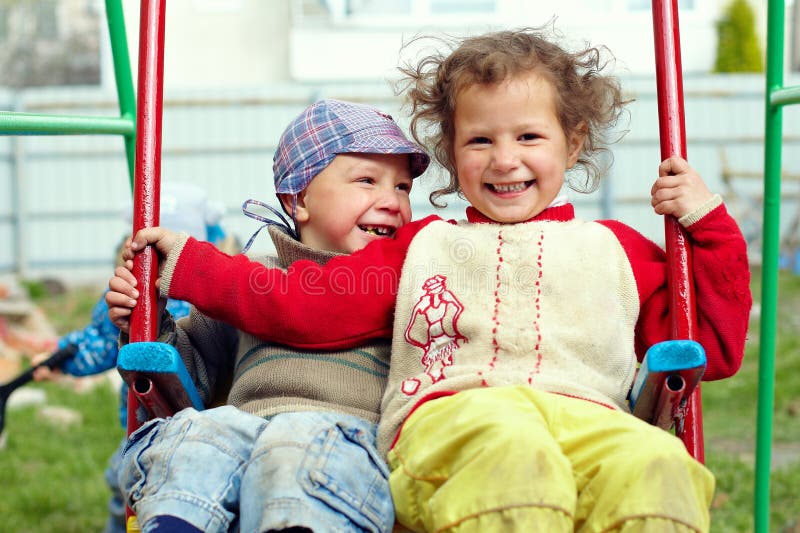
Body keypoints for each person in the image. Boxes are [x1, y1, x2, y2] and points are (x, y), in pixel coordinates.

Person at [112, 28, 752, 532]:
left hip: (589, 418)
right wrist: (193, 266)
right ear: (451, 149)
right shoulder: (423, 247)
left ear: (573, 142)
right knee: (513, 455)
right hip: (458, 418)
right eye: (478, 141)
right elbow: (307, 304)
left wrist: (708, 224)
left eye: (529, 135)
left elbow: (713, 345)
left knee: (660, 466)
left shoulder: (619, 250)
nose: (504, 159)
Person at [107, 99, 429, 533]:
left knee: (293, 441)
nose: (391, 201)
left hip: (344, 449)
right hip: (244, 441)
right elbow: (190, 373)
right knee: (200, 433)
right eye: (367, 181)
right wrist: (146, 321)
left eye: (403, 187)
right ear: (298, 198)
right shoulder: (250, 278)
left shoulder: (405, 283)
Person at [32, 183, 227, 533]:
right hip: (142, 424)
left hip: (204, 424)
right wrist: (62, 357)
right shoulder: (128, 294)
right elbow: (103, 341)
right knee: (125, 484)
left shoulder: (214, 296)